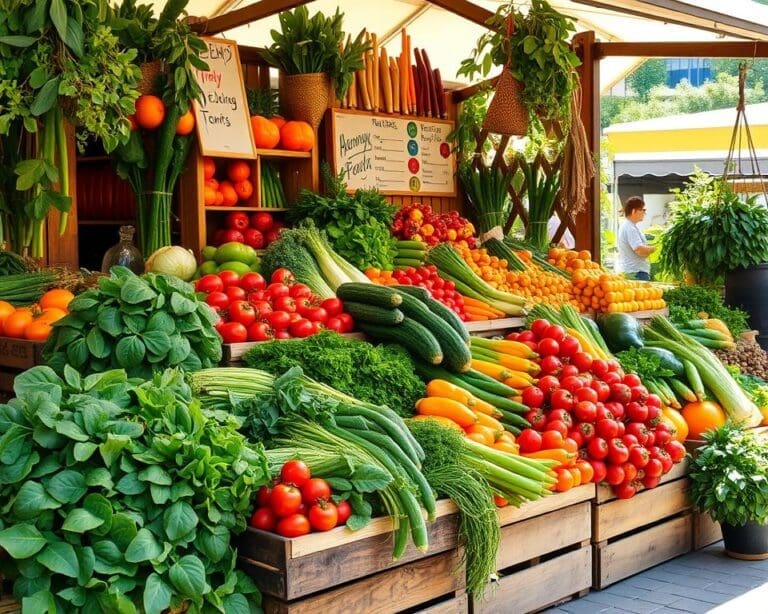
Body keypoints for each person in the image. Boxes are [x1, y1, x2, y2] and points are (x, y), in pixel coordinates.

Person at [618, 196, 655, 281]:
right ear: (634, 211)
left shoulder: (629, 226)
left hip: (634, 272)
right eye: (643, 210)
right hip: (636, 273)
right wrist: (654, 248)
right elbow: (639, 250)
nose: (644, 213)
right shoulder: (629, 228)